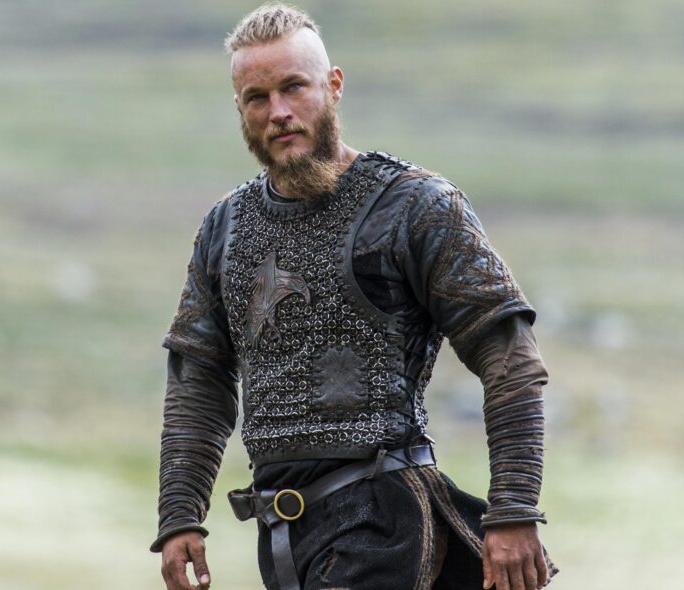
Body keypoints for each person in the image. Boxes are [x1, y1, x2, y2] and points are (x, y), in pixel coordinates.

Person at [152, 5, 557, 590]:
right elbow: (199, 382)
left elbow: (510, 356)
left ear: (334, 86)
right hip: (284, 536)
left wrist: (514, 508)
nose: (279, 112)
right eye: (257, 97)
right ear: (240, 109)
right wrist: (179, 515)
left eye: (294, 87)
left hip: (385, 522)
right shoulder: (225, 228)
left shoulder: (414, 205)